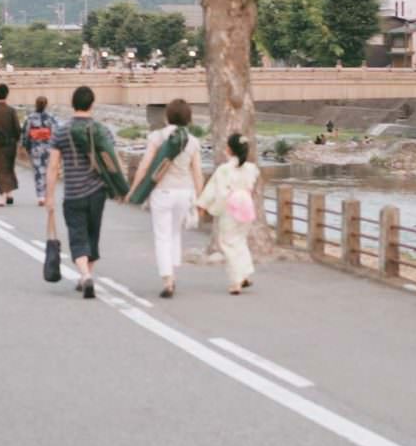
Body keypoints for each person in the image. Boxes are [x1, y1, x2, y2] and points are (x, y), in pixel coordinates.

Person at [127, 99, 204, 298]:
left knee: (162, 236)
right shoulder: (193, 141)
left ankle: (168, 278)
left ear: (166, 116)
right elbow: (197, 173)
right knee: (174, 233)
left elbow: (145, 166)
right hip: (184, 193)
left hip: (162, 192)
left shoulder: (157, 137)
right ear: (189, 118)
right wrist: (201, 199)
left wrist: (133, 189)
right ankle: (173, 270)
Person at [45, 86, 113, 300]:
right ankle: (87, 274)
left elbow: (53, 166)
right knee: (93, 234)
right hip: (97, 192)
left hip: (73, 192)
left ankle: (84, 275)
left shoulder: (62, 131)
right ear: (92, 104)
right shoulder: (102, 130)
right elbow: (112, 161)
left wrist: (49, 196)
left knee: (77, 234)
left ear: (72, 103)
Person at [197, 133, 260, 295]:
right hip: (246, 206)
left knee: (228, 242)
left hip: (231, 206)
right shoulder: (251, 169)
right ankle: (245, 273)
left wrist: (203, 205)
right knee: (240, 240)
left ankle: (236, 280)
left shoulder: (224, 170)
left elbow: (213, 190)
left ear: (229, 150)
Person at [21, 96, 58, 206]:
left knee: (38, 172)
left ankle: (41, 196)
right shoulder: (51, 117)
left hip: (36, 147)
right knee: (49, 171)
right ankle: (48, 194)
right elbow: (56, 132)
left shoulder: (31, 117)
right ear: (46, 105)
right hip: (48, 147)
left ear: (36, 104)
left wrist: (26, 146)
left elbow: (26, 133)